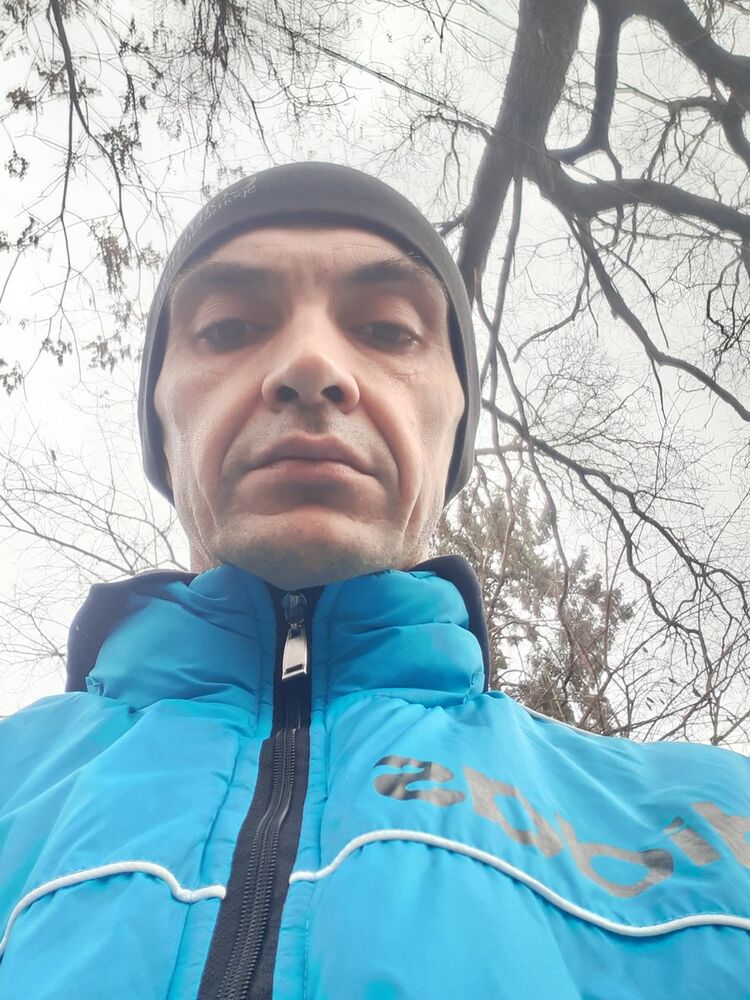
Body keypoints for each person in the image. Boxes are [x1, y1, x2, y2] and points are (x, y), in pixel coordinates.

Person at [0, 162, 748, 1000]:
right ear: (160, 425)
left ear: (455, 424)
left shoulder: (720, 829)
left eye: (388, 330)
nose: (310, 364)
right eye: (229, 326)